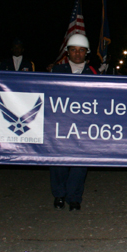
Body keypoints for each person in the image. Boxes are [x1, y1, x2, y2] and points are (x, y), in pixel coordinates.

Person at [50, 34, 97, 211]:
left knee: (80, 161)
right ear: (67, 52)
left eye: (81, 50)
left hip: (84, 124)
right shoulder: (57, 70)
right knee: (58, 161)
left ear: (87, 53)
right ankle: (59, 195)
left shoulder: (93, 72)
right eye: (73, 50)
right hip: (60, 122)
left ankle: (74, 197)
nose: (77, 54)